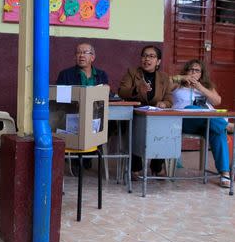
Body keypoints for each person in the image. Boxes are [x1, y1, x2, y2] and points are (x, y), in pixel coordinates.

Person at [171, 59, 231, 187]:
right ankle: (228, 126)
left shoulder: (206, 86)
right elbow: (165, 82)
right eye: (190, 69)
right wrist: (182, 77)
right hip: (184, 121)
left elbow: (217, 101)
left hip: (207, 123)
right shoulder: (178, 84)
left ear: (201, 74)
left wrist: (200, 87)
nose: (193, 72)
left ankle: (224, 173)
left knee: (218, 132)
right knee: (190, 109)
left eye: (197, 70)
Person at [118, 45, 173, 178]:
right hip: (135, 114)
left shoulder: (164, 78)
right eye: (144, 56)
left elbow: (169, 99)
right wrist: (137, 90)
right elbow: (121, 91)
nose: (147, 59)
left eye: (151, 56)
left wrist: (164, 103)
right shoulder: (132, 73)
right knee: (135, 127)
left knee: (163, 128)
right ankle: (135, 167)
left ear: (158, 61)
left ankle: (157, 166)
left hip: (155, 116)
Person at [56, 42, 109, 171]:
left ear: (93, 57)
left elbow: (105, 96)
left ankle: (87, 157)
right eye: (78, 52)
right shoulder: (65, 74)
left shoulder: (101, 75)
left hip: (96, 115)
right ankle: (77, 159)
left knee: (101, 126)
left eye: (85, 52)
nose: (81, 55)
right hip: (73, 114)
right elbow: (59, 98)